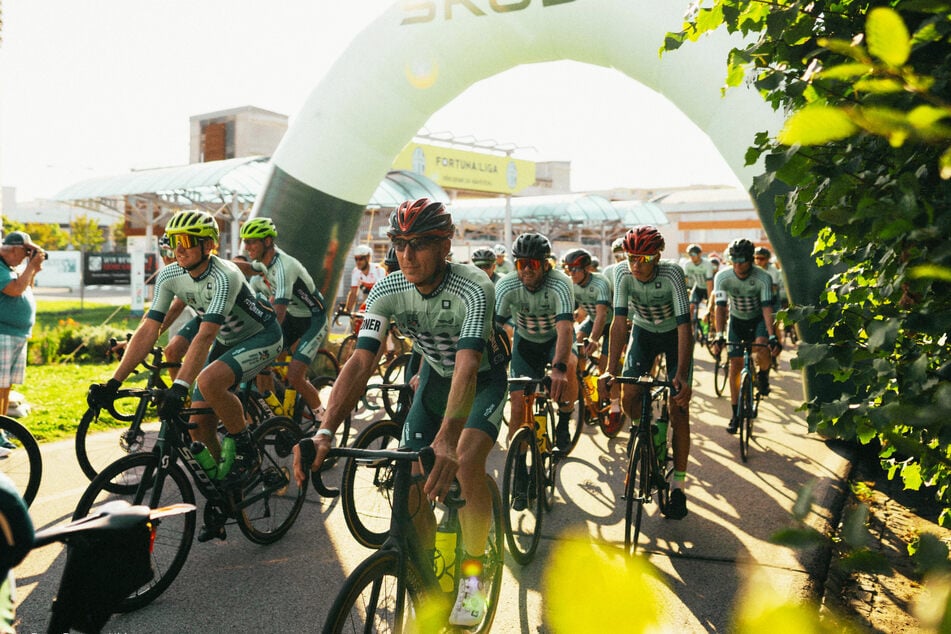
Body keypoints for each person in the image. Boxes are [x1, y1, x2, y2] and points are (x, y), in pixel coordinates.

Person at [293, 198, 508, 629]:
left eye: (421, 244)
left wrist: (446, 439)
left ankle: (471, 576)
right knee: (408, 477)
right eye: (400, 243)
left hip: (482, 379)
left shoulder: (474, 286)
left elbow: (466, 366)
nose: (407, 255)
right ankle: (427, 575)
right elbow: (359, 362)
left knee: (465, 463)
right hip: (433, 381)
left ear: (446, 246)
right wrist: (325, 431)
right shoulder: (388, 289)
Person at [87, 210, 284, 542]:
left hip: (262, 336)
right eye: (173, 241)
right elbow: (150, 328)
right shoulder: (169, 276)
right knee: (199, 426)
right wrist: (114, 382)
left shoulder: (225, 275)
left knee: (208, 381)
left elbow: (205, 336)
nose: (178, 249)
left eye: (186, 242)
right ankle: (228, 494)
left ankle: (246, 446)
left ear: (208, 245)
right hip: (228, 340)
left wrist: (179, 386)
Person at [599, 225, 693, 519]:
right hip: (643, 333)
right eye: (631, 257)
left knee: (679, 408)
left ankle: (678, 484)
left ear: (657, 257)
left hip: (673, 334)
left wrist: (681, 375)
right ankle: (646, 435)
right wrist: (610, 370)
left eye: (644, 259)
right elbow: (618, 323)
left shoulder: (672, 274)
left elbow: (684, 326)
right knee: (629, 398)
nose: (636, 265)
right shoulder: (622, 273)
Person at [238, 217, 329, 423]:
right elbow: (246, 267)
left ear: (268, 241)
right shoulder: (264, 264)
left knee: (296, 375)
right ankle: (274, 416)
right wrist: (215, 262)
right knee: (261, 362)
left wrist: (262, 339)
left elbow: (279, 311)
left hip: (314, 319)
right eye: (246, 241)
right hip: (295, 317)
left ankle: (323, 420)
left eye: (253, 241)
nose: (247, 246)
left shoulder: (284, 266)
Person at [495, 233, 578, 455]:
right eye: (521, 264)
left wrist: (558, 368)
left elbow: (565, 329)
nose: (527, 270)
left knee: (569, 364)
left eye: (533, 264)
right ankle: (519, 465)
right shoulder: (506, 285)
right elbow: (494, 329)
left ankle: (564, 418)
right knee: (518, 406)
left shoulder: (560, 283)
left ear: (545, 264)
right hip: (526, 343)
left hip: (556, 340)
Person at [711, 238, 780, 433]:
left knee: (760, 348)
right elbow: (720, 307)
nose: (738, 264)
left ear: (751, 260)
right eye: (734, 260)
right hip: (737, 321)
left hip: (758, 320)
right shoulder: (723, 277)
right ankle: (735, 414)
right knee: (735, 365)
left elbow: (767, 308)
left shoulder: (763, 277)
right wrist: (719, 334)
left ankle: (764, 374)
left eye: (742, 260)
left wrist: (771, 335)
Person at [562, 248, 619, 432]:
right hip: (591, 320)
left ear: (587, 269)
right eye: (568, 269)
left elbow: (602, 316)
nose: (572, 273)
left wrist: (594, 339)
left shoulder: (600, 282)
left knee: (605, 367)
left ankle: (616, 405)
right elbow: (569, 313)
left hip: (610, 323)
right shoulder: (571, 284)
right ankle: (587, 392)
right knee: (576, 346)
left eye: (575, 269)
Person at [0, 232, 44, 453]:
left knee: (6, 386)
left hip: (15, 334)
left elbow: (26, 287)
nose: (27, 256)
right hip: (3, 333)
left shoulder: (12, 268)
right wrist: (30, 266)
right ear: (14, 248)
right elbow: (15, 290)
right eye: (26, 251)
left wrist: (32, 267)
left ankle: (2, 428)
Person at [681, 243, 716, 339]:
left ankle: (713, 329)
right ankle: (691, 329)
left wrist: (709, 300)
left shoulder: (707, 264)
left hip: (708, 288)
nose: (691, 257)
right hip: (698, 287)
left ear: (700, 254)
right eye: (690, 255)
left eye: (694, 254)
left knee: (711, 308)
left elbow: (709, 283)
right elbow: (685, 281)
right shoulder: (688, 264)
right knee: (691, 307)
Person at [343, 244, 386, 315]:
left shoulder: (379, 270)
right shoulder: (356, 271)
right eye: (356, 259)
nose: (358, 262)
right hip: (367, 296)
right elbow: (353, 293)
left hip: (382, 297)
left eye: (361, 259)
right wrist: (347, 310)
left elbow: (381, 294)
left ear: (368, 258)